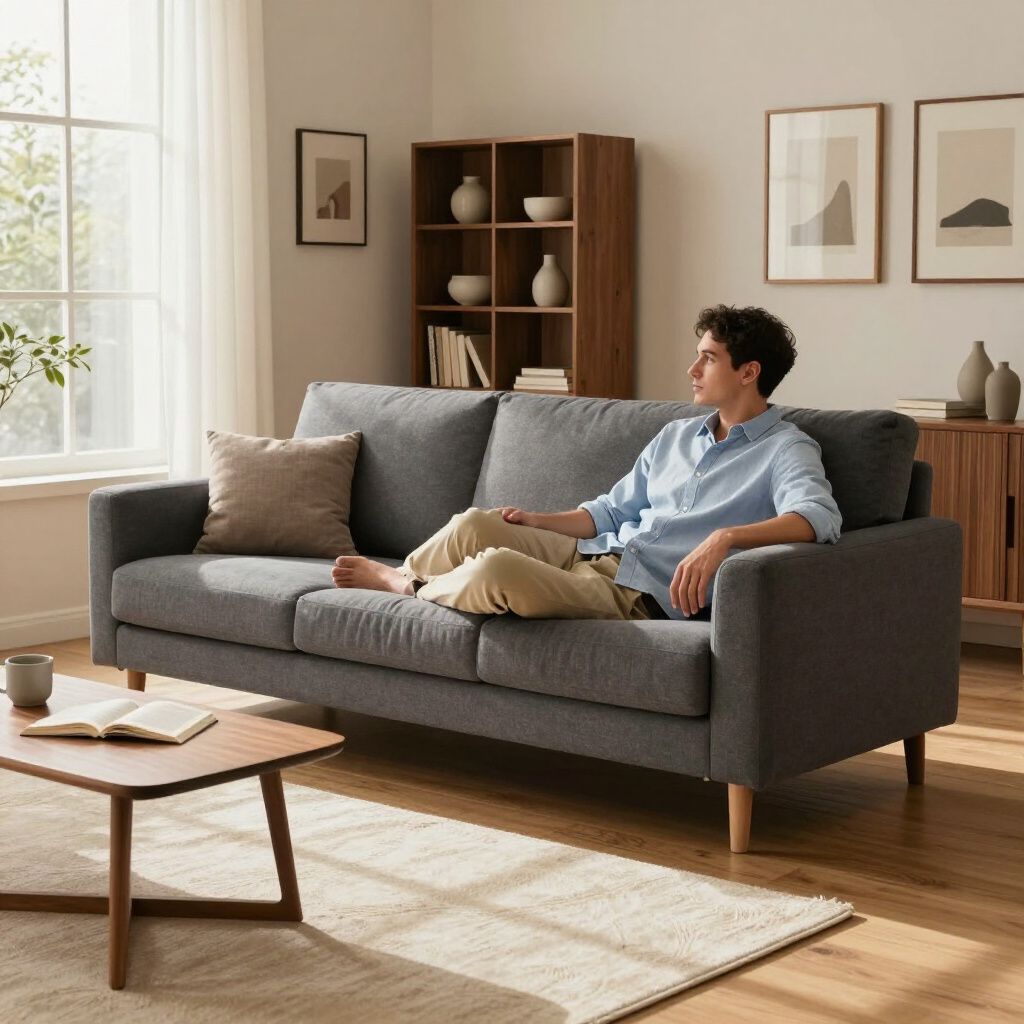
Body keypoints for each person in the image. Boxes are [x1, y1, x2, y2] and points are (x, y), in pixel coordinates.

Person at [332, 304, 842, 621]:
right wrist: (538, 521)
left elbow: (818, 518)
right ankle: (405, 574)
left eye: (708, 358)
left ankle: (405, 587)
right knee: (474, 526)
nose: (692, 369)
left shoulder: (786, 448)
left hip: (635, 590)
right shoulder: (677, 436)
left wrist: (725, 537)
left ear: (749, 372)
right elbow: (610, 513)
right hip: (592, 549)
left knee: (497, 570)